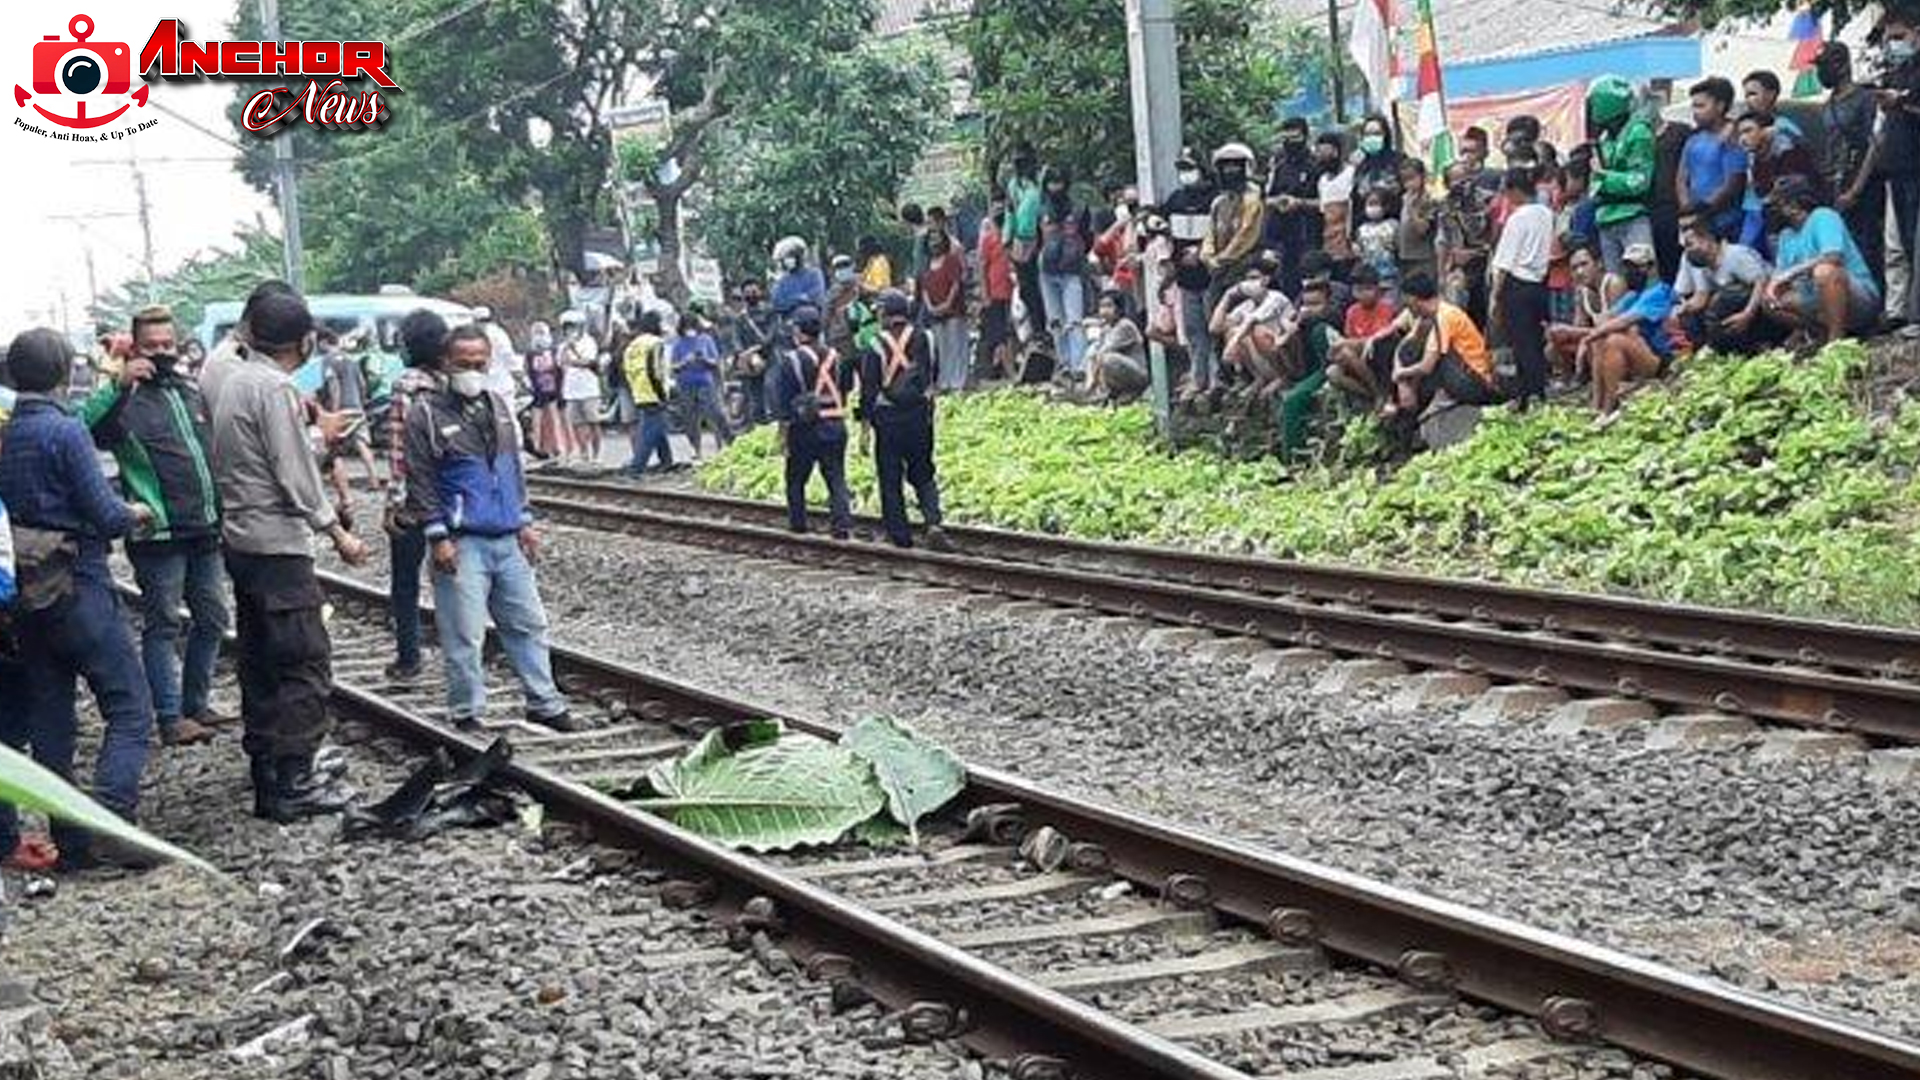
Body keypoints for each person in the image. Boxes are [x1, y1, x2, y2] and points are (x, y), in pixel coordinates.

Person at [198, 288, 368, 821]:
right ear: (304, 341)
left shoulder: (231, 380)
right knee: (302, 663)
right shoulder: (273, 388)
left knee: (261, 660)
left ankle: (268, 770)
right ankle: (294, 781)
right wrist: (335, 531)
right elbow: (292, 472)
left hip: (243, 539)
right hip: (277, 545)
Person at [0, 330, 159, 869]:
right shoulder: (64, 431)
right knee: (130, 706)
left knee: (51, 722)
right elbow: (105, 514)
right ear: (65, 371)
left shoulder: (7, 433)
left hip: (27, 594)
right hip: (79, 584)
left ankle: (68, 844)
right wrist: (137, 511)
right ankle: (110, 822)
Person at [404, 326, 575, 733]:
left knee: (528, 623)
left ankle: (544, 702)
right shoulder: (425, 413)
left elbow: (510, 468)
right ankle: (467, 711)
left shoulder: (497, 405)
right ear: (445, 364)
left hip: (507, 535)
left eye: (480, 363)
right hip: (462, 541)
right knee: (464, 633)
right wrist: (437, 535)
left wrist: (525, 520)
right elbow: (420, 478)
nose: (473, 371)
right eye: (464, 364)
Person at [78, 304, 224, 748]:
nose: (161, 353)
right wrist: (119, 384)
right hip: (158, 533)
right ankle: (168, 714)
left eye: (168, 344)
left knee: (213, 618)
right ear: (134, 348)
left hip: (204, 527)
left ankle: (195, 704)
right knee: (163, 624)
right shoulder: (122, 398)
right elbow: (79, 430)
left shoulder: (187, 390)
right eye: (151, 346)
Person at [383, 309, 448, 683]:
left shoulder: (405, 386)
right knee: (452, 578)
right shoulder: (450, 383)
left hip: (413, 501)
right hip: (450, 496)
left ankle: (409, 658)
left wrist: (394, 501)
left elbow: (399, 451)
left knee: (405, 583)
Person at [857, 290, 947, 550]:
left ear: (885, 313)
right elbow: (934, 374)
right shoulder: (926, 337)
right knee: (923, 470)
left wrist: (864, 425)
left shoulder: (875, 344)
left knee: (890, 476)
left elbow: (869, 389)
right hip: (920, 415)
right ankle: (933, 522)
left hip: (888, 418)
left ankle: (900, 535)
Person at [1764, 176, 1883, 343]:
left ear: (1793, 205)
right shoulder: (1786, 236)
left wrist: (1791, 273)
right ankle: (1820, 333)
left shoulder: (1823, 216)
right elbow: (1779, 277)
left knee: (1825, 271)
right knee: (1769, 301)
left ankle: (1836, 340)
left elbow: (1834, 256)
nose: (1774, 211)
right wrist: (1772, 287)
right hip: (1817, 300)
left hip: (1858, 298)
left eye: (1778, 205)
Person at [770, 307, 855, 539]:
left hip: (804, 429)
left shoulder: (791, 360)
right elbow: (846, 388)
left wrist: (782, 435)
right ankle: (842, 524)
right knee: (836, 476)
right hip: (835, 424)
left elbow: (784, 403)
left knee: (795, 479)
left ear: (798, 331)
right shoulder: (837, 357)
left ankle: (798, 523)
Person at [1388, 272, 1506, 418]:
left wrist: (1400, 374)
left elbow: (1426, 366)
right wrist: (1400, 376)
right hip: (1462, 376)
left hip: (1476, 383)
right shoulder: (1431, 316)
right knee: (1413, 348)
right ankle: (1406, 404)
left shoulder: (1444, 316)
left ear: (1414, 299)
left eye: (1407, 303)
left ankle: (1410, 407)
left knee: (1435, 357)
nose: (1406, 308)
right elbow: (1405, 346)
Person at [1818, 42, 1886, 296]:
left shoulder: (1865, 99)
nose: (1822, 72)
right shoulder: (1828, 104)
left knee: (1868, 241)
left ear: (1843, 65)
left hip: (1864, 182)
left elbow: (1875, 143)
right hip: (1835, 181)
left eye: (1826, 66)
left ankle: (1875, 298)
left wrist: (1857, 188)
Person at [1576, 244, 1676, 416]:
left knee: (1614, 339)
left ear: (1651, 267)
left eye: (1637, 267)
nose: (1631, 272)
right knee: (1601, 338)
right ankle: (1596, 404)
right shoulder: (1632, 296)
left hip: (1659, 359)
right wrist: (1591, 336)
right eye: (1627, 267)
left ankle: (1608, 408)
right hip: (1637, 352)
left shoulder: (1659, 292)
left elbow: (1623, 321)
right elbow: (1606, 318)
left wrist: (1587, 338)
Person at [1489, 167, 1557, 406]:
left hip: (1517, 284)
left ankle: (1529, 393)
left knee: (1521, 342)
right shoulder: (1546, 214)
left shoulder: (1517, 219)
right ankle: (1537, 389)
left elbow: (1504, 263)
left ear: (1516, 191)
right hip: (1539, 283)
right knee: (1534, 339)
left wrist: (1496, 298)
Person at [1673, 215, 1776, 354]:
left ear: (1707, 239)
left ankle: (1763, 341)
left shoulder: (1735, 254)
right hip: (1743, 308)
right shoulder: (1705, 265)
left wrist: (1747, 314)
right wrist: (1684, 308)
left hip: (1767, 302)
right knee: (1694, 315)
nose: (1687, 251)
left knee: (1725, 299)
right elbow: (1702, 298)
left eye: (1690, 245)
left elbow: (1761, 281)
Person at [1587, 74, 1658, 274]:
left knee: (1642, 275)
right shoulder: (1604, 138)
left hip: (1632, 214)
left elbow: (1640, 181)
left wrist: (1605, 178)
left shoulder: (1638, 132)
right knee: (1614, 283)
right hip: (1605, 216)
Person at [1879, 7, 1920, 325]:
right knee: (1896, 245)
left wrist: (1904, 102)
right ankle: (1898, 311)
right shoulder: (1895, 72)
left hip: (1915, 168)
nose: (1893, 44)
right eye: (1889, 38)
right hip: (1896, 168)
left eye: (1899, 37)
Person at [1166, 152, 1219, 392]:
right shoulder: (1176, 199)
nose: (1185, 173)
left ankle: (1218, 378)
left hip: (1210, 274)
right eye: (1182, 168)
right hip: (1185, 278)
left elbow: (1220, 233)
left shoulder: (1214, 200)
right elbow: (1163, 226)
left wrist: (1200, 252)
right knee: (1193, 330)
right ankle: (1199, 378)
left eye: (1190, 167)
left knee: (1214, 328)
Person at [317, 328, 380, 527]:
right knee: (362, 445)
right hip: (357, 407)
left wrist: (333, 413)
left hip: (342, 409)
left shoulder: (328, 360)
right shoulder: (351, 360)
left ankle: (344, 496)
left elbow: (333, 385)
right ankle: (374, 480)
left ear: (324, 342)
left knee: (334, 450)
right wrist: (361, 403)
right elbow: (362, 384)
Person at [1676, 76, 1748, 242]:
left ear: (1720, 106)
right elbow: (1681, 179)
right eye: (1693, 106)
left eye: (1701, 106)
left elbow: (1733, 184)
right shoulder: (1693, 139)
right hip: (1695, 224)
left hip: (1726, 224)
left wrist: (1704, 212)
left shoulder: (1732, 137)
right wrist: (1688, 210)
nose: (1695, 112)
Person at [1211, 263, 1298, 398]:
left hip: (1284, 355)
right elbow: (1215, 328)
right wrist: (1227, 297)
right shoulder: (1247, 305)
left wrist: (1231, 344)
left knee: (1256, 331)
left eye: (1254, 278)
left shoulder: (1276, 298)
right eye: (1247, 279)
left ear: (1266, 280)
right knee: (1232, 331)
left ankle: (1283, 378)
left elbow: (1252, 322)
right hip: (1261, 359)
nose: (1249, 283)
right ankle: (1258, 378)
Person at [1039, 166, 1091, 380]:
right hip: (1047, 271)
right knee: (1055, 321)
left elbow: (1088, 238)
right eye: (1051, 182)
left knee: (1074, 320)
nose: (1055, 187)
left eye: (1059, 182)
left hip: (1072, 270)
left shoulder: (1078, 208)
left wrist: (1075, 254)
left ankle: (1078, 365)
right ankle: (1064, 363)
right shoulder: (1040, 209)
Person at [1548, 246, 1626, 382]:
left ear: (1599, 264)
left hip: (1619, 340)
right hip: (1596, 337)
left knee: (1599, 341)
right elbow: (1579, 326)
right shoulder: (1581, 291)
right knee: (1553, 341)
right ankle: (1569, 379)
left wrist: (1573, 332)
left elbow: (1616, 328)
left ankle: (1612, 378)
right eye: (1574, 268)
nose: (1579, 272)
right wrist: (1563, 332)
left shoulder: (1613, 283)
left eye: (1584, 264)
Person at [1737, 111, 1821, 230]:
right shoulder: (1753, 159)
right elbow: (1762, 192)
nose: (1742, 138)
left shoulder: (1788, 152)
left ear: (1766, 131)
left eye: (1748, 131)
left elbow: (1785, 190)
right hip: (1778, 221)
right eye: (1739, 134)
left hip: (1807, 218)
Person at [1266, 118, 1320, 297]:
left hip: (1308, 234)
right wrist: (1277, 202)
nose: (1290, 143)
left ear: (1305, 137)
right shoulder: (1280, 165)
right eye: (1286, 138)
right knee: (1286, 283)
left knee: (1310, 284)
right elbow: (1267, 198)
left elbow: (1325, 202)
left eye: (1295, 138)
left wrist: (1299, 203)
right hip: (1283, 236)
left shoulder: (1315, 164)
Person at [1438, 160, 1495, 325]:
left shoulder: (1487, 199)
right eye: (1456, 179)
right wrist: (1442, 273)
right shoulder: (1445, 204)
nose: (1462, 183)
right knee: (1458, 315)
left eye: (1465, 177)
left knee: (1483, 312)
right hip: (1458, 267)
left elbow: (1494, 232)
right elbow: (1442, 239)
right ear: (1447, 184)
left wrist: (1479, 251)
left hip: (1485, 264)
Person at [1005, 145, 1048, 345]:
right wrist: (1007, 238)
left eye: (1023, 162)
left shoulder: (1040, 182)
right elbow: (1010, 212)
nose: (1020, 166)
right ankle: (1037, 329)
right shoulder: (1013, 185)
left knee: (1041, 284)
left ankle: (1045, 326)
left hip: (1040, 234)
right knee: (1026, 288)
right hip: (1020, 239)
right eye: (1017, 163)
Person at [623, 311, 675, 475]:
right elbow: (656, 371)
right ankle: (636, 467)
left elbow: (627, 371)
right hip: (654, 392)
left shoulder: (632, 345)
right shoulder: (656, 343)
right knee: (650, 432)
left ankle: (666, 461)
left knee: (657, 427)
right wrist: (661, 394)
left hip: (639, 391)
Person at [922, 223, 970, 392]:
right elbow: (924, 288)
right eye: (930, 240)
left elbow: (956, 284)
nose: (933, 243)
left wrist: (947, 303)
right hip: (935, 312)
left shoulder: (951, 259)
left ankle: (959, 381)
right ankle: (945, 382)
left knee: (957, 346)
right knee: (942, 350)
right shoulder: (927, 263)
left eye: (937, 239)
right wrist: (930, 307)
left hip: (954, 310)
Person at [977, 189, 1018, 381]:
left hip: (1015, 291)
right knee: (1001, 333)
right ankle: (1008, 371)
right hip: (995, 292)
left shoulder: (1014, 235)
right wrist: (984, 293)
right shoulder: (988, 238)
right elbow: (982, 266)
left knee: (1012, 331)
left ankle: (1007, 366)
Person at [1084, 291, 1149, 403]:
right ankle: (1106, 393)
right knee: (1091, 351)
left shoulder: (1125, 325)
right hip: (1119, 373)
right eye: (1102, 306)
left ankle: (1129, 392)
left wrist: (1092, 384)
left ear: (1119, 308)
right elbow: (1094, 355)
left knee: (1107, 359)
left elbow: (1103, 354)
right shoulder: (1107, 328)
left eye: (1109, 306)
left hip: (1137, 375)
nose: (1104, 311)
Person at [558, 310, 602, 466]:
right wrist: (566, 349)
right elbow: (561, 362)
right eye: (567, 327)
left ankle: (597, 455)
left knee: (593, 422)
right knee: (577, 424)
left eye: (573, 326)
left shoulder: (589, 341)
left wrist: (573, 355)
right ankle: (584, 454)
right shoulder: (563, 345)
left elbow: (588, 362)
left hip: (589, 389)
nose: (570, 330)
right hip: (571, 390)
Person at [524, 320, 571, 460]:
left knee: (554, 419)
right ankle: (538, 448)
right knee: (537, 422)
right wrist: (528, 384)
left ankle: (559, 448)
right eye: (536, 333)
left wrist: (562, 388)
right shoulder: (530, 353)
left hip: (553, 390)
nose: (539, 336)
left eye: (541, 332)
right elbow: (526, 369)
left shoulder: (554, 351)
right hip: (537, 391)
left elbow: (562, 368)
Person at [1396, 157, 1440, 289]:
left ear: (1422, 176)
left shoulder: (1428, 200)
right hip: (1405, 256)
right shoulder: (1404, 198)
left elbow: (1422, 229)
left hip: (1423, 257)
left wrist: (1412, 209)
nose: (1409, 183)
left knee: (1422, 291)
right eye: (1405, 179)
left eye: (1412, 178)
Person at [1354, 189, 1400, 297]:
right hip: (1368, 280)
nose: (1372, 208)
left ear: (1385, 206)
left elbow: (1399, 248)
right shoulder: (1361, 229)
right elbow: (1359, 252)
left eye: (1376, 203)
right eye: (1370, 204)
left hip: (1389, 277)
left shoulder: (1393, 225)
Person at [473, 306, 521, 400]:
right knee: (505, 411)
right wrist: (516, 369)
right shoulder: (498, 333)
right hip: (500, 380)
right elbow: (507, 353)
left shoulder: (473, 334)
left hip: (484, 382)